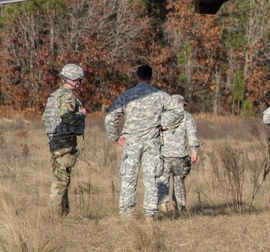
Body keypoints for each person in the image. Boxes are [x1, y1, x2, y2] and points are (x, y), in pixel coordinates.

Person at [105, 65, 184, 219]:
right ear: (151, 77)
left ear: (137, 76)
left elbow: (110, 117)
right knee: (151, 179)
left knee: (129, 178)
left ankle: (126, 215)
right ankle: (150, 215)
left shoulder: (128, 95)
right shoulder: (159, 95)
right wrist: (166, 126)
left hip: (132, 142)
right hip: (151, 143)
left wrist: (115, 136)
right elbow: (179, 111)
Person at [42, 63, 87, 217]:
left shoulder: (55, 95)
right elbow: (67, 117)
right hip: (64, 142)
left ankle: (62, 214)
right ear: (72, 80)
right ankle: (52, 214)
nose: (79, 83)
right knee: (62, 178)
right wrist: (81, 115)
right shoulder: (68, 96)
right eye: (78, 80)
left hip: (55, 141)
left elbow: (45, 118)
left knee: (61, 176)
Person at [158, 94, 200, 214]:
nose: (184, 106)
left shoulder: (161, 117)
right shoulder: (186, 117)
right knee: (179, 181)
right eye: (183, 104)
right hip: (180, 155)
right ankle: (180, 206)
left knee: (163, 180)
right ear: (179, 103)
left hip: (163, 154)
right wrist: (194, 150)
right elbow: (192, 134)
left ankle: (163, 205)